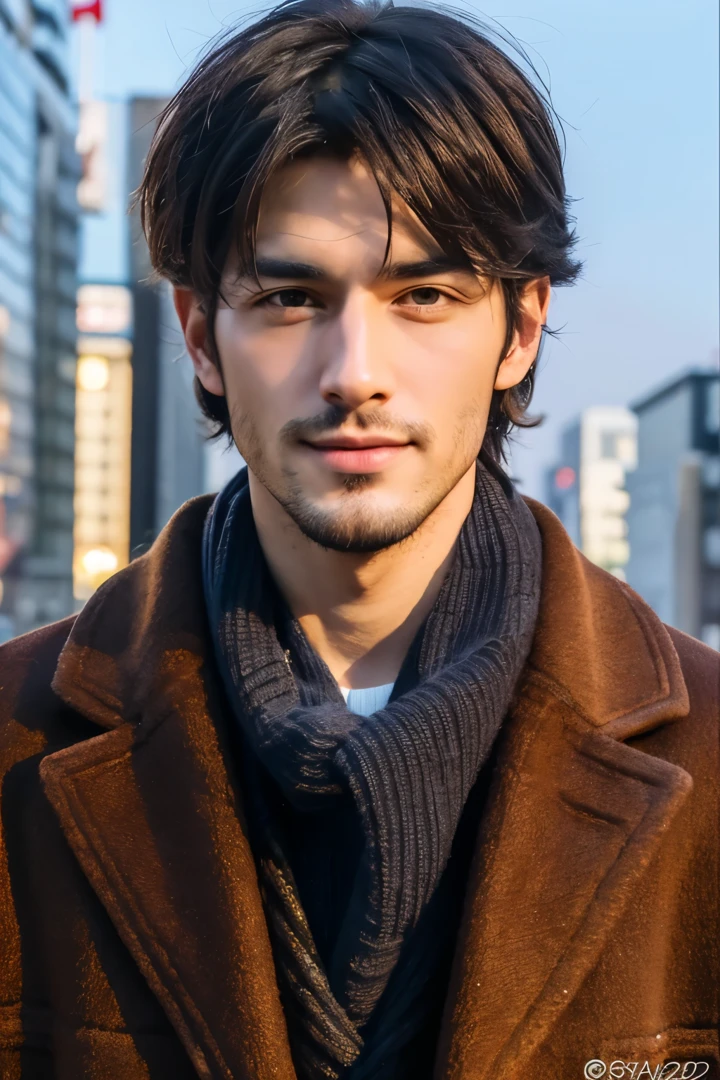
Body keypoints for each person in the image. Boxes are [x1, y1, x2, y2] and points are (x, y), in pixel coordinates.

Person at [1, 1, 718, 1077]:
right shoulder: (14, 742)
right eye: (292, 298)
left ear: (519, 330)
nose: (354, 371)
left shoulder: (708, 760)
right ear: (201, 337)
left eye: (424, 295)